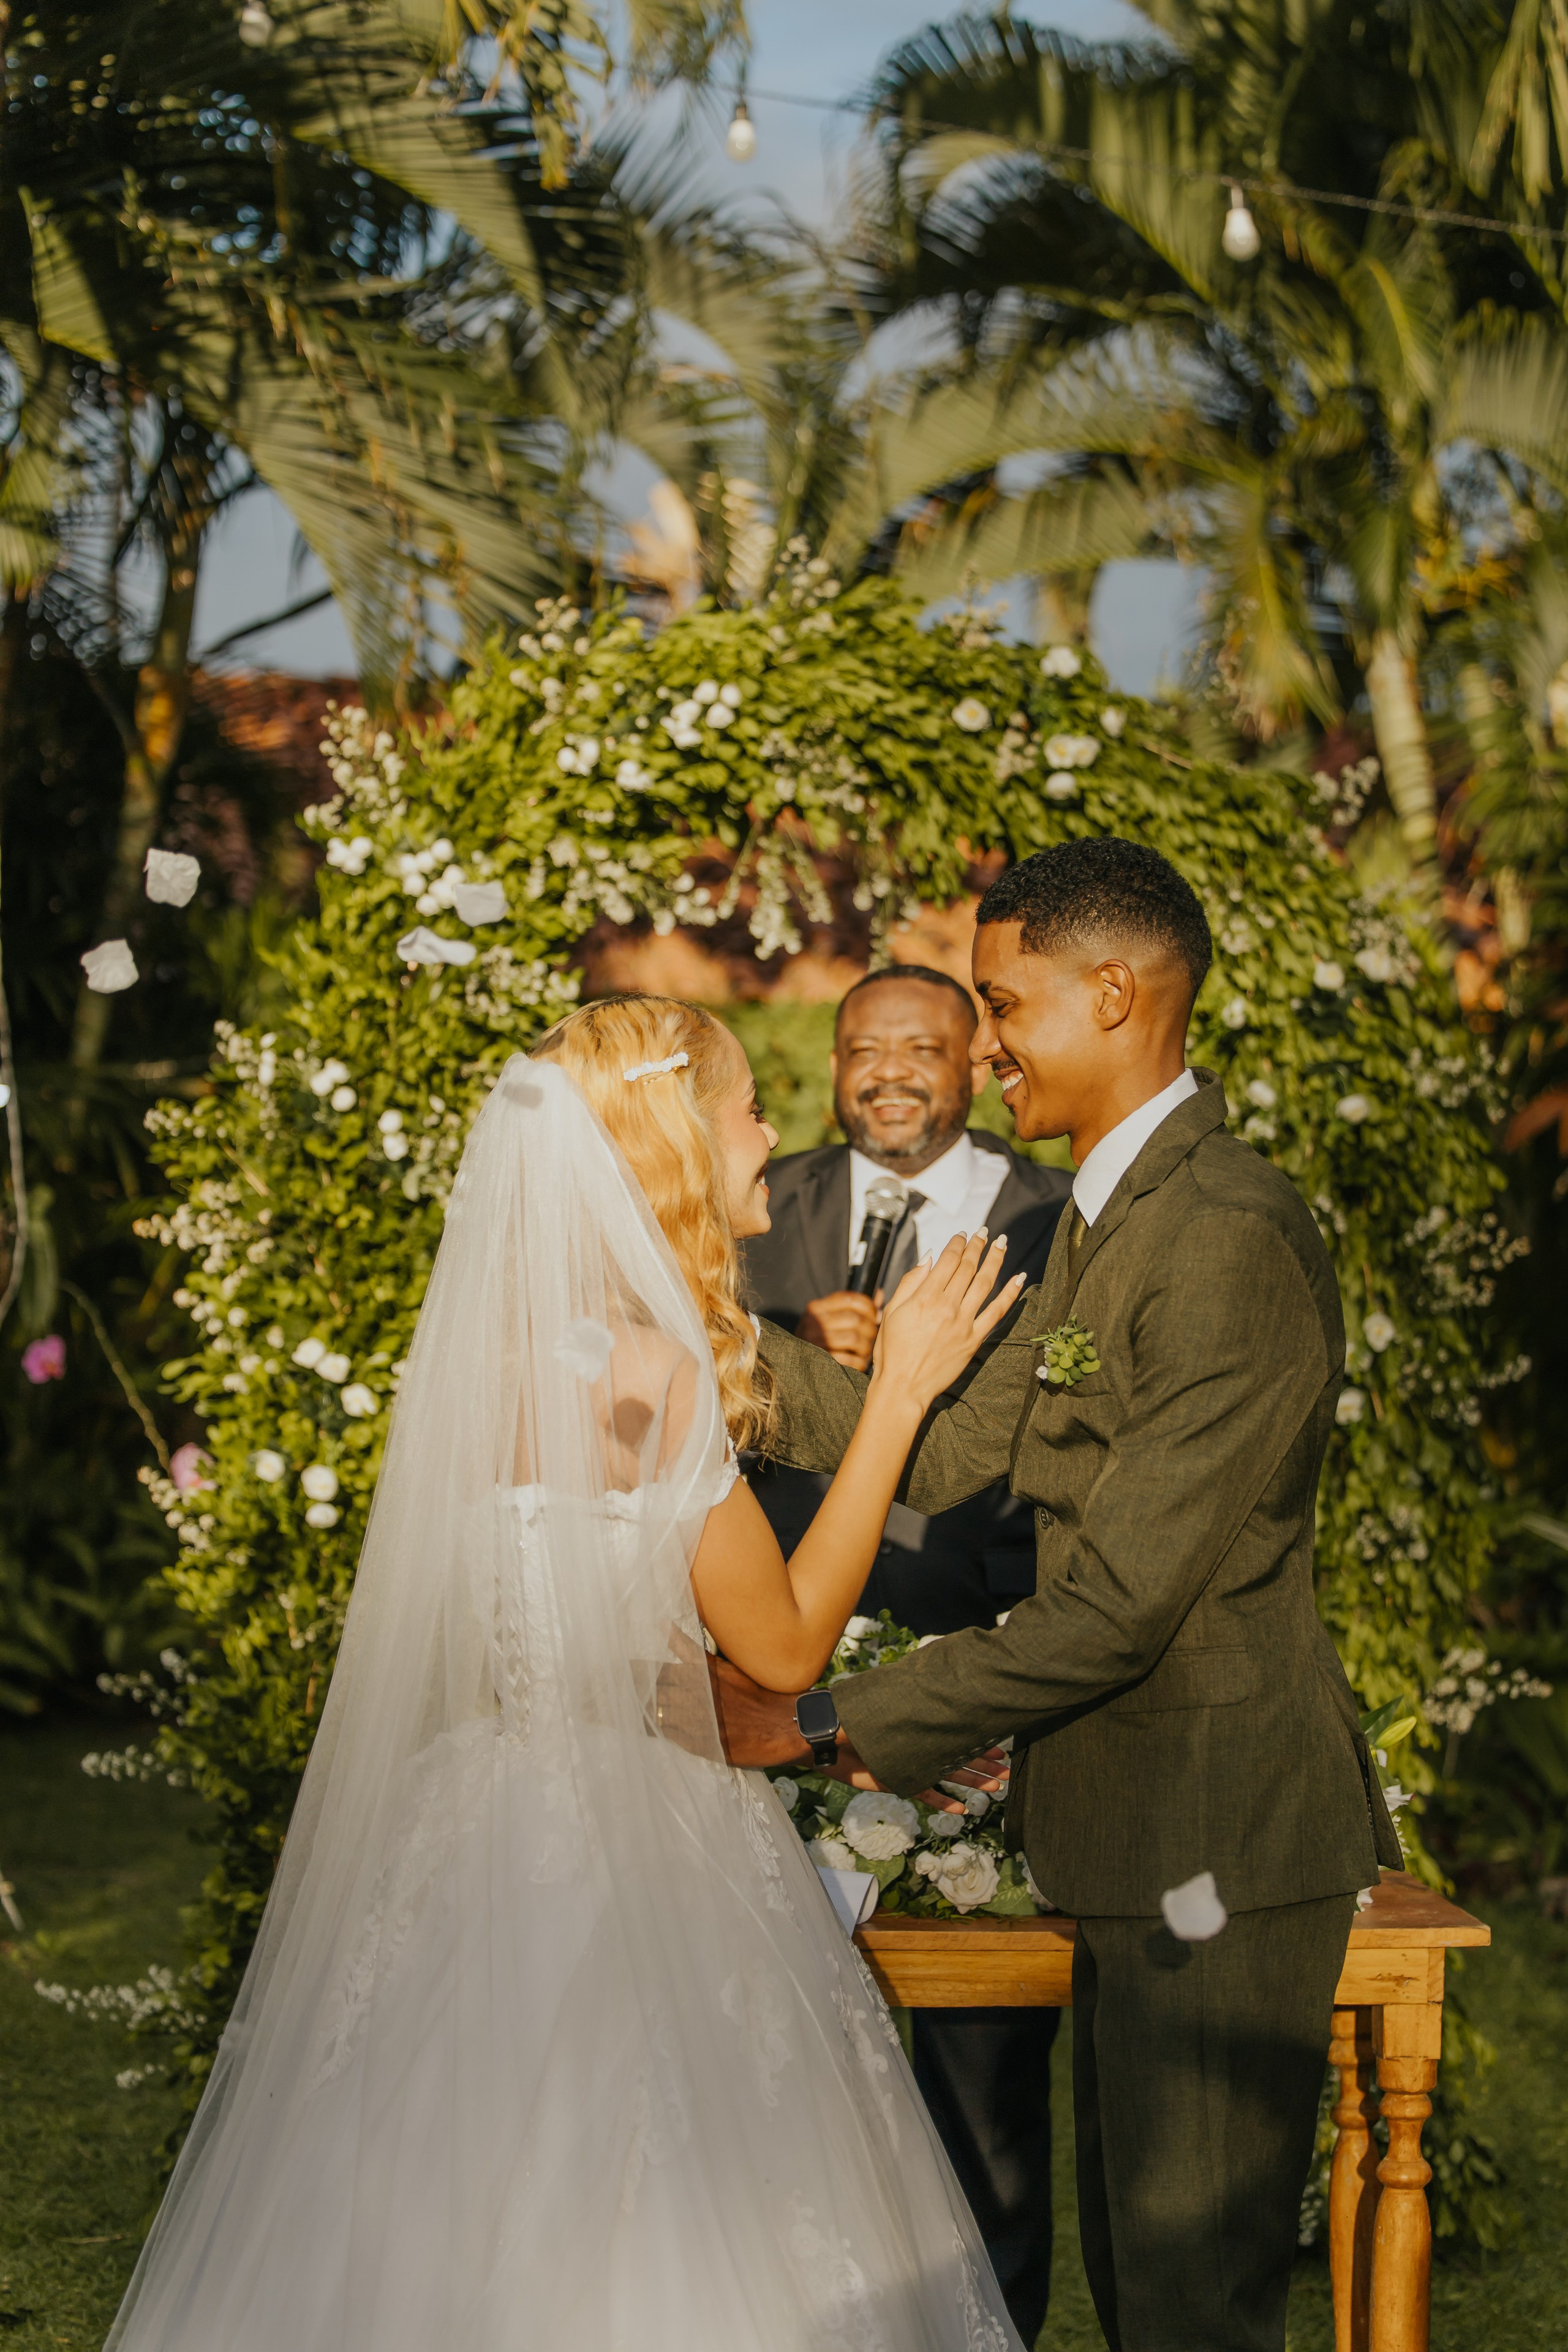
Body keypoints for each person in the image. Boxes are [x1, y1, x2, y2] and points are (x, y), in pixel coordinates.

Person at [105, 993, 1029, 2352]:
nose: (771, 1131)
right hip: (646, 1828)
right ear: (670, 1139)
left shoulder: (492, 1361)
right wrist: (896, 1398)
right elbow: (777, 1649)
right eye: (742, 1109)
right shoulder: (648, 1369)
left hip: (475, 1816)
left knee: (446, 2187)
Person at [714, 840, 1404, 2352]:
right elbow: (956, 1446)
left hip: (1215, 1842)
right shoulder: (1106, 1215)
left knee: (1189, 2304)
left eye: (997, 1003)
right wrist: (717, 1356)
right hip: (1131, 1832)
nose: (984, 1043)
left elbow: (1117, 1609)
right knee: (1141, 2290)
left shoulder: (1216, 1237)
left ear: (1111, 994)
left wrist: (823, 1717)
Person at [740, 962, 1069, 2343]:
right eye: (860, 1047)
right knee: (778, 2053)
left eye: (919, 1047)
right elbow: (684, 1378)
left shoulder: (1058, 1221)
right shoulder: (757, 1212)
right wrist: (790, 1347)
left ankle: (992, 2324)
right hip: (773, 1681)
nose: (887, 1070)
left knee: (985, 2070)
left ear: (971, 1056)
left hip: (968, 1686)